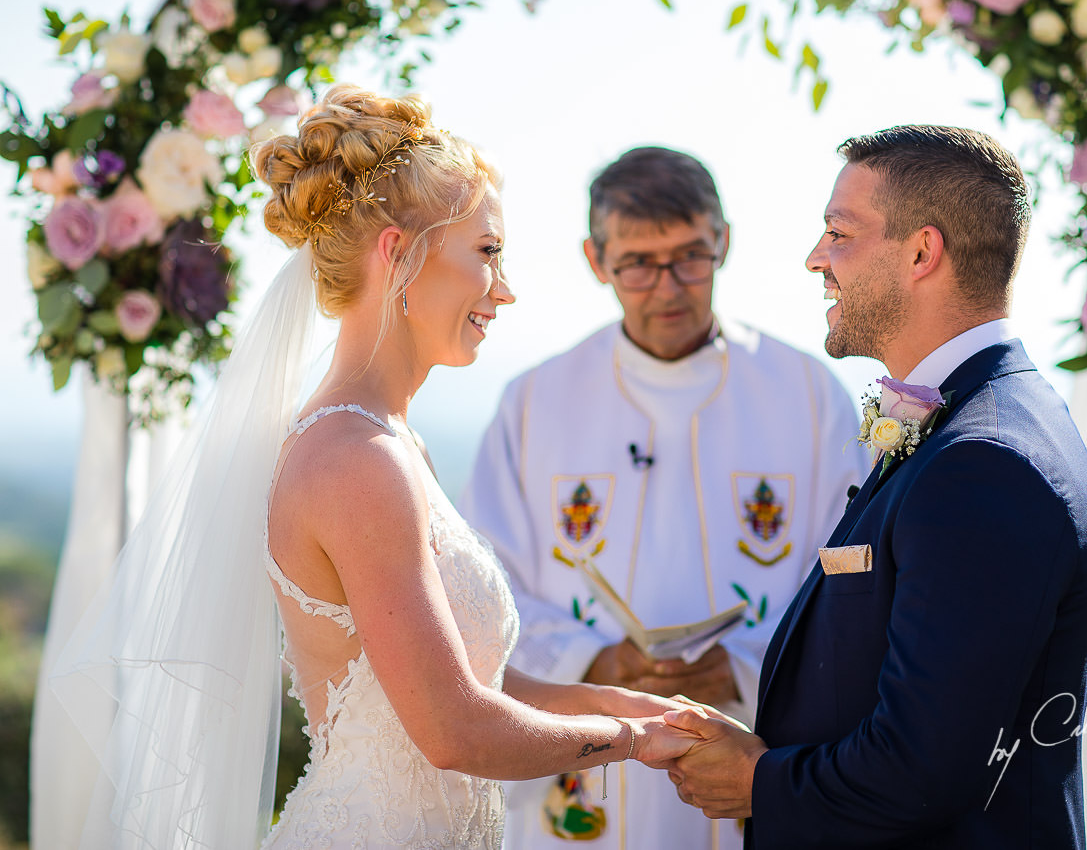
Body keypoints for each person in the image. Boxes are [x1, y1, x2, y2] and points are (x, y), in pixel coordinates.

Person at [49, 86, 701, 850]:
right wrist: (633, 747)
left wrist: (627, 707)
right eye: (487, 252)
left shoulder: (392, 443)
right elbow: (454, 729)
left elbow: (462, 679)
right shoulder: (354, 463)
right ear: (398, 253)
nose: (506, 288)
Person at [662, 125, 1087, 848]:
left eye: (838, 232)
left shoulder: (987, 463)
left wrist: (758, 780)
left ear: (921, 253)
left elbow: (925, 766)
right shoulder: (973, 423)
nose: (816, 258)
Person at [460, 147, 868, 849]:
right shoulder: (537, 402)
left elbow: (850, 582)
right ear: (596, 260)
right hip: (584, 763)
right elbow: (485, 586)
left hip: (750, 742)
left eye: (690, 257)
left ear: (724, 243)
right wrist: (595, 662)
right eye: (638, 264)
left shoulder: (806, 396)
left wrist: (745, 661)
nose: (668, 287)